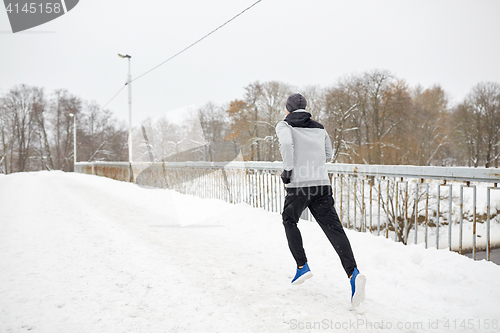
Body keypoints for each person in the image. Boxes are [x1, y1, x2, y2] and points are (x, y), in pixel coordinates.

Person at [275, 93, 366, 307]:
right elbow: (328, 153)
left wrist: (288, 170)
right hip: (322, 186)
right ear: (306, 109)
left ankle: (302, 267)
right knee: (335, 230)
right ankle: (354, 274)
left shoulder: (284, 125)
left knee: (289, 220)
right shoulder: (319, 127)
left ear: (288, 109)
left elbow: (287, 146)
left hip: (298, 186)